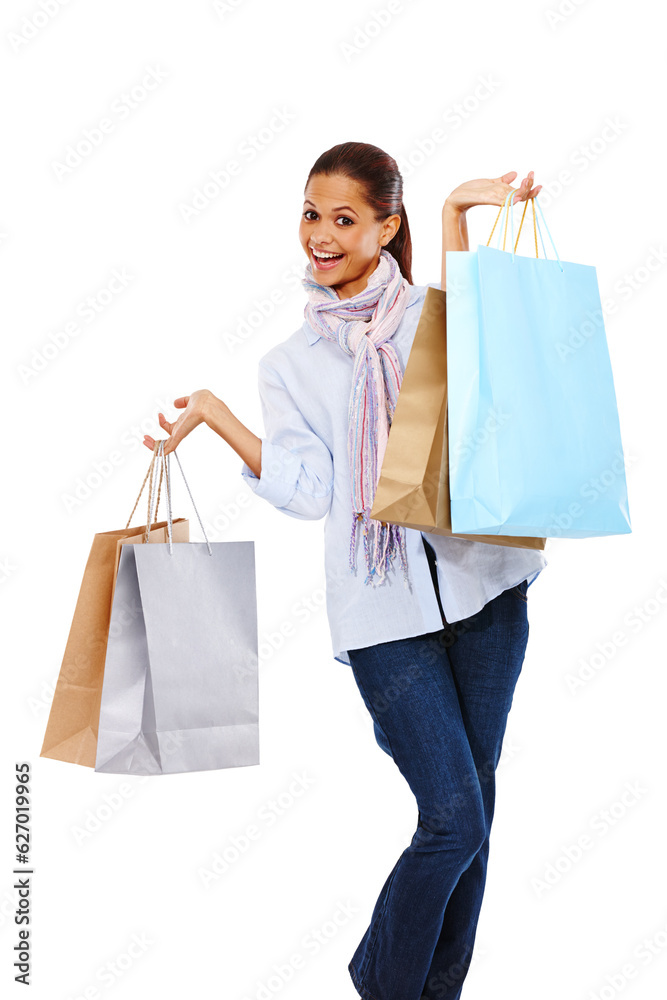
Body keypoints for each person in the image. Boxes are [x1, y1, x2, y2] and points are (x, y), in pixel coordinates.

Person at [143, 142, 546, 1000]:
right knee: (453, 818)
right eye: (309, 214)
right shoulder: (291, 363)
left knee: (476, 809)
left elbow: (471, 346)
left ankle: (436, 991)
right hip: (380, 615)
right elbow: (309, 490)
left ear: (383, 227)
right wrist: (218, 415)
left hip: (483, 590)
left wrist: (453, 219)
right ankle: (384, 985)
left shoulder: (421, 315)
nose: (319, 236)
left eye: (343, 218)